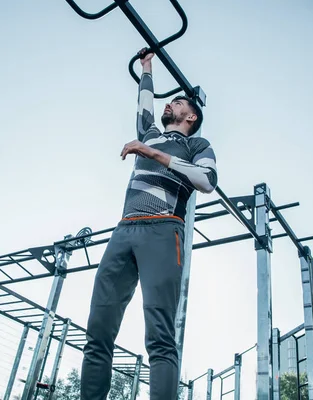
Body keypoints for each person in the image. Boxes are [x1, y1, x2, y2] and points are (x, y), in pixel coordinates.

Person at [81, 48, 218, 399]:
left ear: (191, 116)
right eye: (168, 101)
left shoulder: (196, 144)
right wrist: (147, 66)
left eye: (177, 102)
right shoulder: (151, 132)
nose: (169, 104)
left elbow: (207, 181)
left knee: (159, 335)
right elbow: (144, 104)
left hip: (163, 229)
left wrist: (154, 154)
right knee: (97, 331)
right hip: (125, 230)